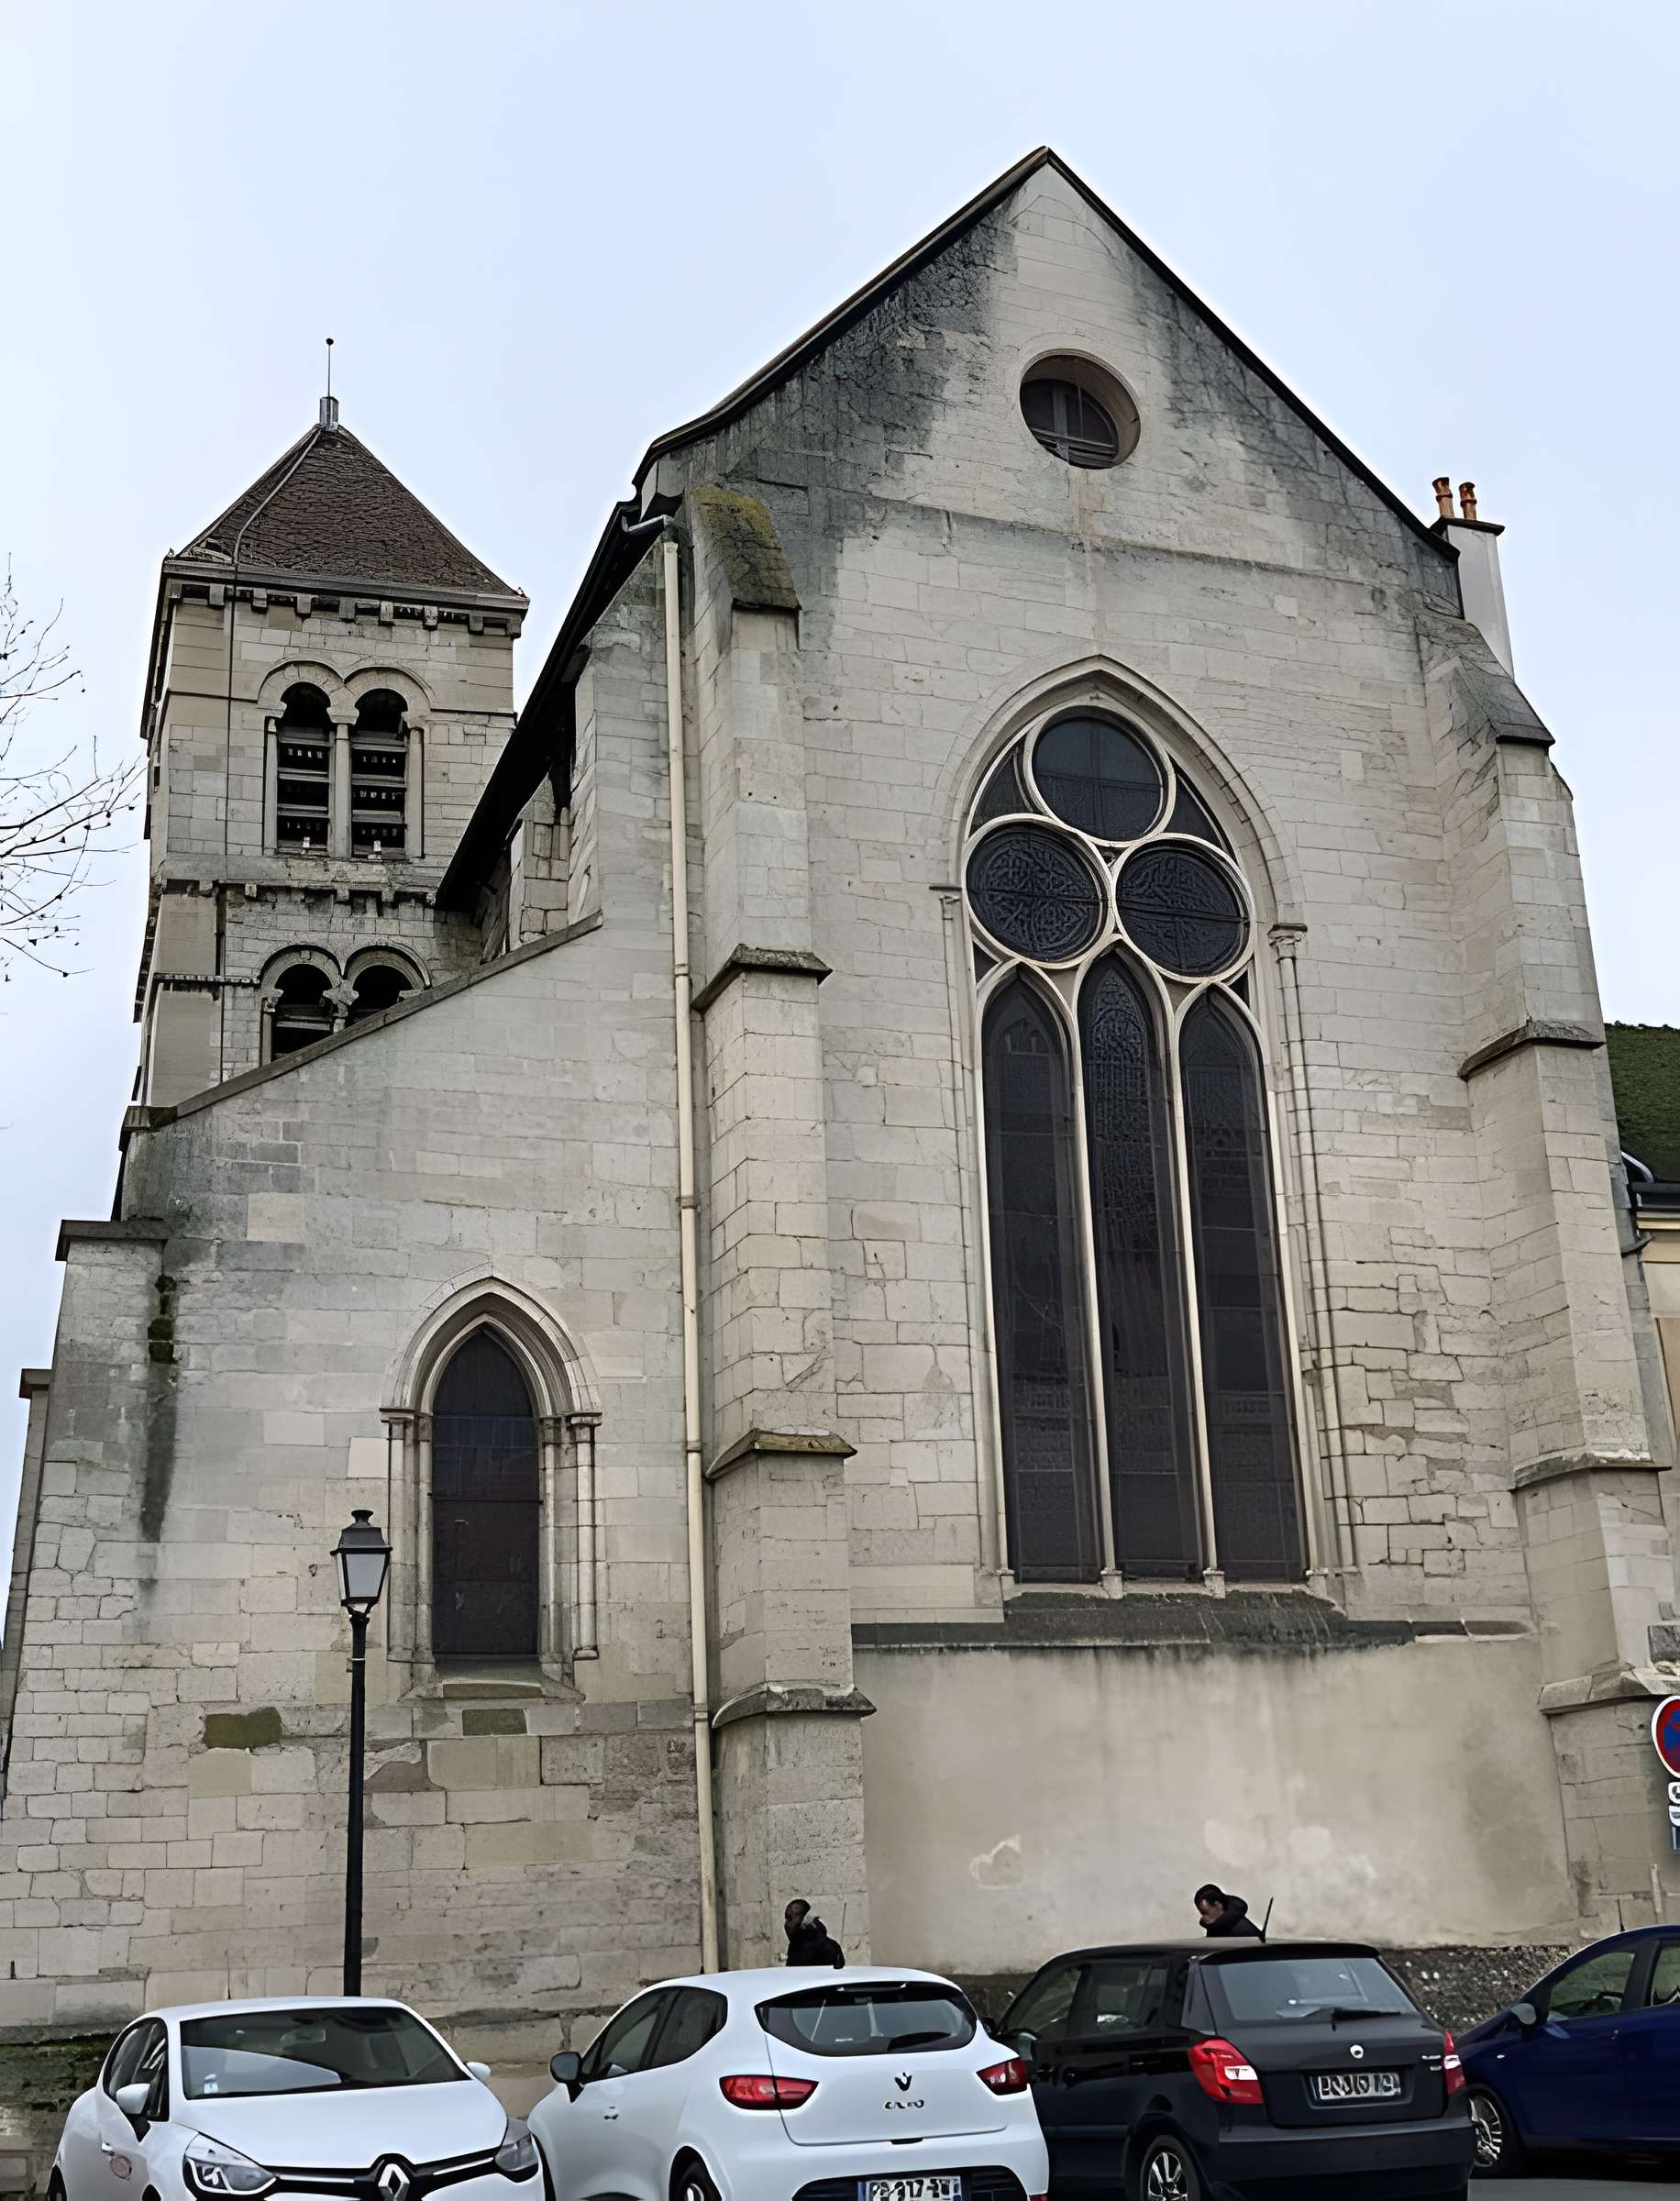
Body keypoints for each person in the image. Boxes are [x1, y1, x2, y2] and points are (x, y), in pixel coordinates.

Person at [784, 1898, 846, 1966]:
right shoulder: (795, 1945)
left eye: (789, 1918)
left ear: (804, 1920)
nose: (786, 1924)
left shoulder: (801, 1949)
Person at [1194, 1884, 1263, 1939]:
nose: (1203, 1917)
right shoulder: (1218, 1930)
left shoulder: (1243, 1934)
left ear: (1218, 1905)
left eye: (1205, 1912)